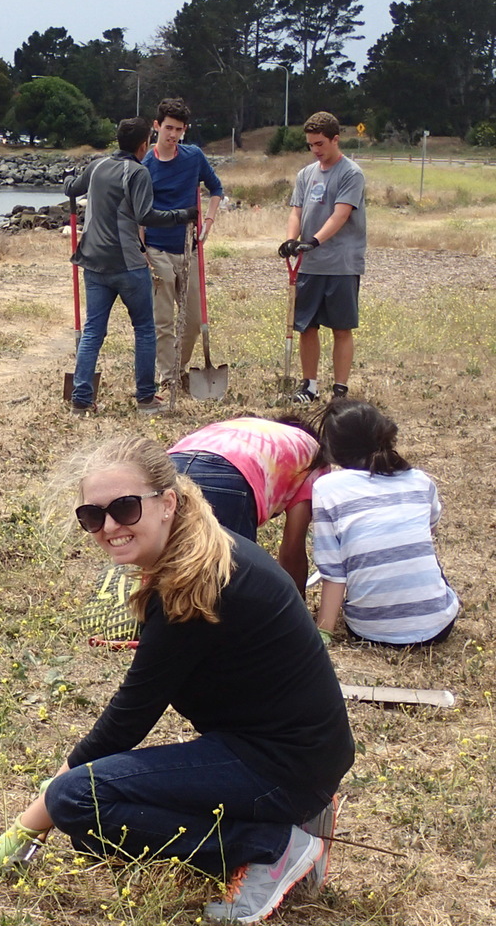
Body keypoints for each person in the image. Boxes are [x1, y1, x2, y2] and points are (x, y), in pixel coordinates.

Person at [0, 435, 354, 925]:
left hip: (283, 764)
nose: (110, 527)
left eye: (124, 508)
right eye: (94, 517)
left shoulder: (195, 583)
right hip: (287, 754)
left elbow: (131, 713)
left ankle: (272, 845)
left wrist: (34, 819)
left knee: (76, 800)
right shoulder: (199, 550)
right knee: (93, 827)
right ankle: (284, 822)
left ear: (167, 502)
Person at [65, 118, 197, 417]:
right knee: (145, 329)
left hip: (93, 263)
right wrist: (182, 215)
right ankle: (146, 398)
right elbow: (146, 215)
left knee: (93, 331)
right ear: (143, 146)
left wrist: (67, 179)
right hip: (127, 263)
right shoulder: (138, 172)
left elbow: (72, 189)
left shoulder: (97, 166)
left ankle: (81, 400)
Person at [312, 399, 459, 647]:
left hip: (368, 631)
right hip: (439, 628)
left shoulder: (327, 489)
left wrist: (323, 632)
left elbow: (334, 574)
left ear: (333, 449)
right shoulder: (421, 481)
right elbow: (429, 529)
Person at [168, 416, 329, 596]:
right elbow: (292, 550)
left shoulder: (250, 427)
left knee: (166, 563)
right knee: (230, 584)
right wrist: (296, 612)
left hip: (173, 463)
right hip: (228, 472)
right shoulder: (314, 457)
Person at [279, 111, 366, 404]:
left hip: (341, 262)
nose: (315, 150)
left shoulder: (351, 173)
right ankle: (310, 386)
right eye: (310, 145)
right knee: (307, 326)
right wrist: (293, 240)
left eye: (320, 144)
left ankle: (340, 390)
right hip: (309, 265)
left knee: (341, 327)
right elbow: (297, 211)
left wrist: (313, 241)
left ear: (335, 140)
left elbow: (340, 214)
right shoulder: (306, 174)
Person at [142, 98, 224, 390]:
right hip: (156, 249)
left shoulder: (194, 157)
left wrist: (209, 221)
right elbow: (137, 211)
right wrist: (142, 252)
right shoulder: (145, 165)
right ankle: (168, 378)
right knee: (163, 321)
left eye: (178, 129)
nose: (173, 134)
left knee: (193, 320)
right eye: (168, 128)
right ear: (156, 126)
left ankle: (180, 366)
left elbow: (216, 188)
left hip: (188, 248)